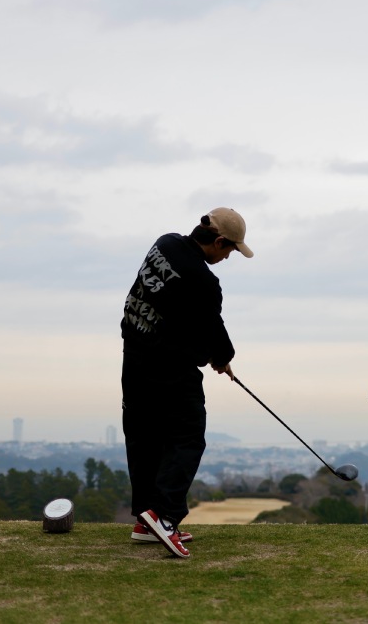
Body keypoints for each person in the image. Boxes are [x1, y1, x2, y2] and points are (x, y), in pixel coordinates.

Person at [120, 207, 253, 558]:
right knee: (188, 436)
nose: (227, 257)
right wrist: (223, 358)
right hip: (170, 368)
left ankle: (145, 520)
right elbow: (213, 330)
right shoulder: (204, 280)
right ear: (219, 241)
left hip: (134, 356)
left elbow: (175, 308)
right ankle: (164, 516)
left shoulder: (163, 245)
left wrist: (210, 350)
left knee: (143, 435)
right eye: (230, 250)